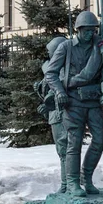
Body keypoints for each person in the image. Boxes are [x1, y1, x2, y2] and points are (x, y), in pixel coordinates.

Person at [44, 11, 103, 197]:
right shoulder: (66, 47)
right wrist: (59, 92)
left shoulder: (100, 48)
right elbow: (51, 73)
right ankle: (73, 183)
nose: (90, 34)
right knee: (73, 143)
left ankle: (87, 177)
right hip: (73, 100)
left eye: (93, 30)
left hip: (93, 100)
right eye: (86, 30)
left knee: (100, 140)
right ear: (78, 30)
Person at [35, 36, 68, 193]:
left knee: (66, 150)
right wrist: (45, 108)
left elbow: (59, 93)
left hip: (64, 114)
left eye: (50, 51)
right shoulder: (51, 69)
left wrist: (48, 103)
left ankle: (68, 184)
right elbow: (49, 96)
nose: (47, 54)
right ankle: (66, 183)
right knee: (62, 152)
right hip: (55, 115)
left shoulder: (62, 71)